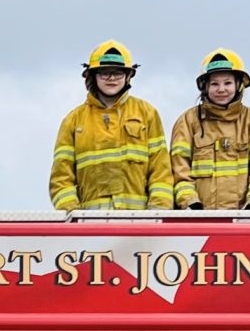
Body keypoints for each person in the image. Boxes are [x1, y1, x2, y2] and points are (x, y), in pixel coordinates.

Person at [49, 41, 172, 210]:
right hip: (90, 226)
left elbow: (161, 170)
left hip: (139, 223)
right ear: (93, 76)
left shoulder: (147, 113)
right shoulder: (73, 120)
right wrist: (73, 215)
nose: (112, 78)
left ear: (128, 76)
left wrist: (157, 213)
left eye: (118, 73)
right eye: (104, 73)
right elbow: (61, 177)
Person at [169, 50, 250, 210]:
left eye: (228, 83)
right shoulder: (188, 121)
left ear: (239, 85)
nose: (221, 89)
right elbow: (179, 169)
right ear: (205, 87)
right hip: (199, 219)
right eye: (214, 84)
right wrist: (190, 203)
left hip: (241, 219)